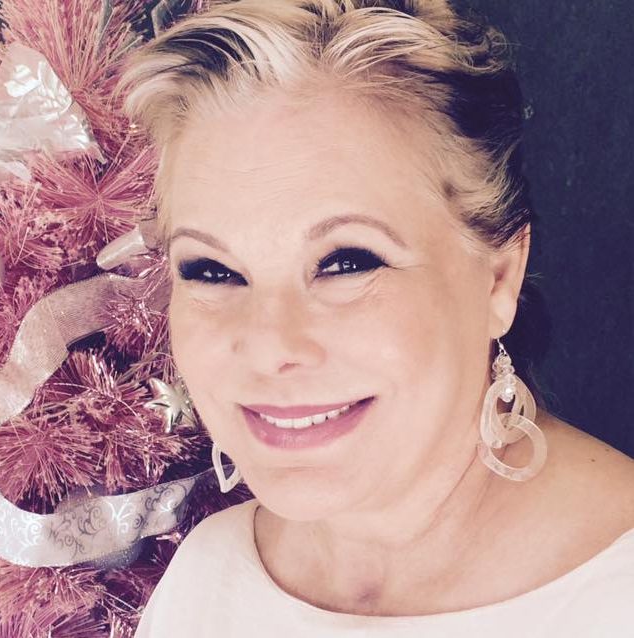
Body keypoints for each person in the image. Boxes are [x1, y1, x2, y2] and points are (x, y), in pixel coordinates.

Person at [118, 1, 634, 635]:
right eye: (212, 270)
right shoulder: (207, 575)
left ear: (499, 278)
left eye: (346, 262)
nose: (270, 346)